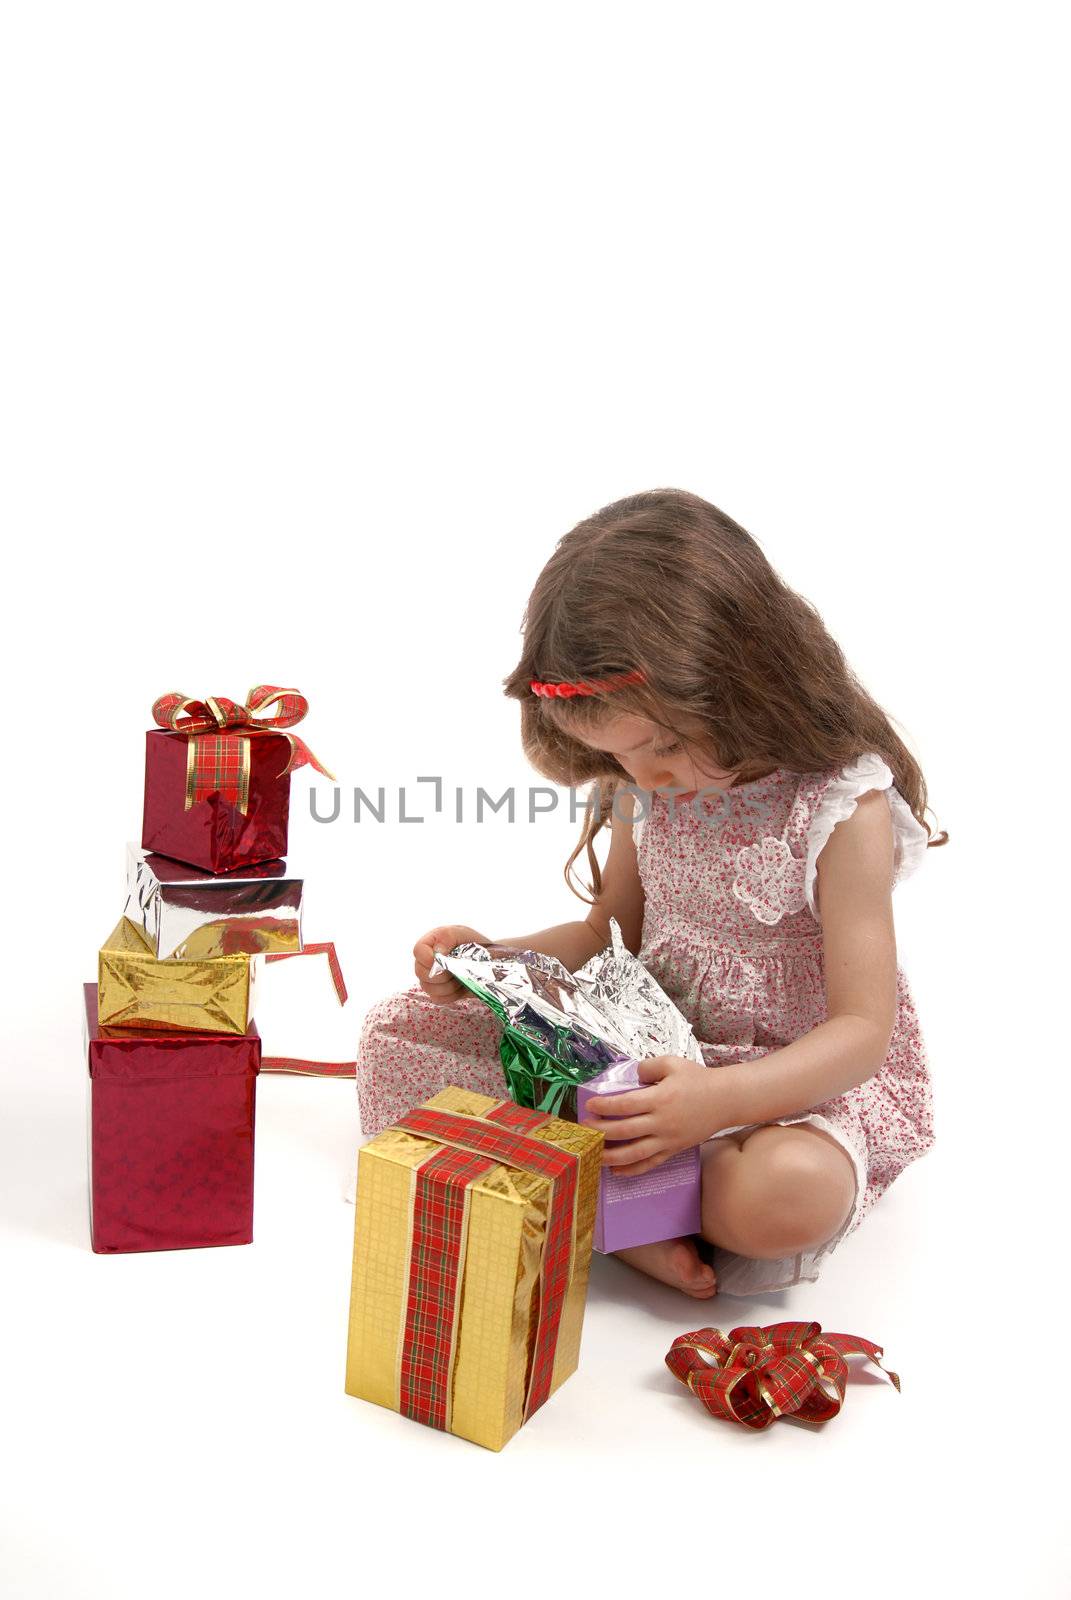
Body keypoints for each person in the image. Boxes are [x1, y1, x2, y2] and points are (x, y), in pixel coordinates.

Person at [355, 488, 947, 1297]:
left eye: (664, 745)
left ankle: (594, 1196)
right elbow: (606, 937)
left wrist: (716, 1100)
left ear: (745, 682)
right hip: (640, 1066)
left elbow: (860, 1032)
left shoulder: (842, 805)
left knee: (784, 1193)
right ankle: (630, 1216)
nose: (647, 779)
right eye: (621, 761)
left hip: (778, 1092)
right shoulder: (646, 787)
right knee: (399, 1035)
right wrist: (493, 960)